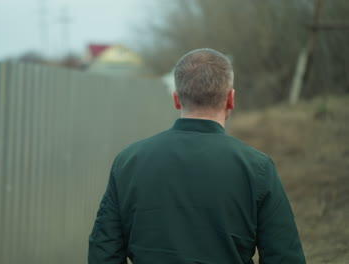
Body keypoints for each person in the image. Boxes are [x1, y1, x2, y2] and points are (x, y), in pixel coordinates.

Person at [88, 48, 306, 264]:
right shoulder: (257, 168)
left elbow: (104, 252)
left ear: (176, 99)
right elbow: (284, 256)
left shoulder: (128, 162)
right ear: (230, 99)